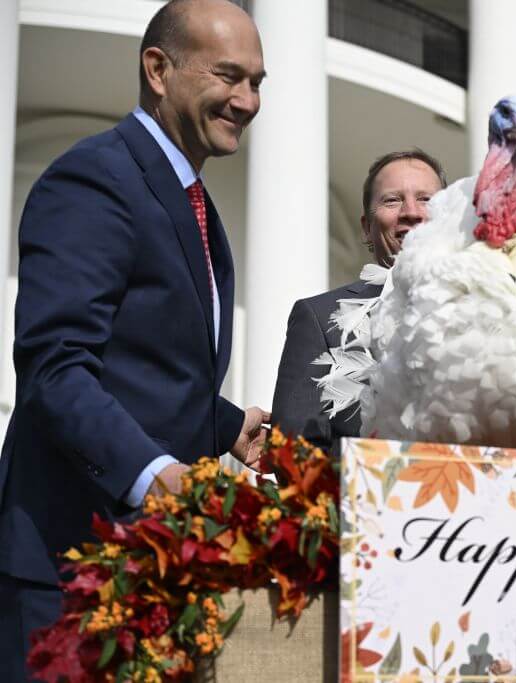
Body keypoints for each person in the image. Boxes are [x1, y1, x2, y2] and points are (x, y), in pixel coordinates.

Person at [0, 1, 270, 677]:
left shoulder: (191, 203)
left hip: (141, 573)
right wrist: (156, 477)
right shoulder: (96, 179)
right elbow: (56, 367)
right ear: (158, 69)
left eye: (258, 82)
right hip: (64, 573)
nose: (247, 100)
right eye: (230, 76)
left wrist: (225, 424)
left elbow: (142, 366)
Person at [271, 150, 446, 454]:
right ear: (367, 227)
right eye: (392, 200)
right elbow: (293, 453)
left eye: (426, 199)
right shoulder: (319, 318)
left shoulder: (493, 309)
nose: (412, 212)